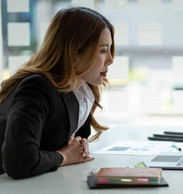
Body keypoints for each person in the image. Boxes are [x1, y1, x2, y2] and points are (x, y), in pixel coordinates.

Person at [0, 7, 114, 179]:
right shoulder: (36, 87)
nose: (111, 59)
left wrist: (78, 145)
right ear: (75, 53)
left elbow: (71, 136)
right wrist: (66, 156)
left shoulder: (83, 87)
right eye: (103, 51)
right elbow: (19, 162)